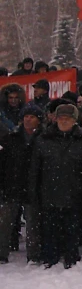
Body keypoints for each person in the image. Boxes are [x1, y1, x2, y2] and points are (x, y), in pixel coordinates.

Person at [28, 103, 82, 269]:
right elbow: (34, 169)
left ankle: (71, 256)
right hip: (48, 192)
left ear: (74, 120)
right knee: (49, 228)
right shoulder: (43, 140)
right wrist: (33, 191)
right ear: (55, 119)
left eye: (68, 118)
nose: (64, 121)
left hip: (75, 192)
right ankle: (50, 257)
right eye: (61, 118)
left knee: (72, 228)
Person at [0, 104, 43, 264]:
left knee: (33, 224)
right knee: (5, 223)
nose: (28, 119)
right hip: (12, 185)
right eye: (26, 116)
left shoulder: (43, 138)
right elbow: (3, 163)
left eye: (31, 117)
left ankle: (34, 255)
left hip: (34, 187)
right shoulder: (11, 137)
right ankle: (2, 253)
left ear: (38, 120)